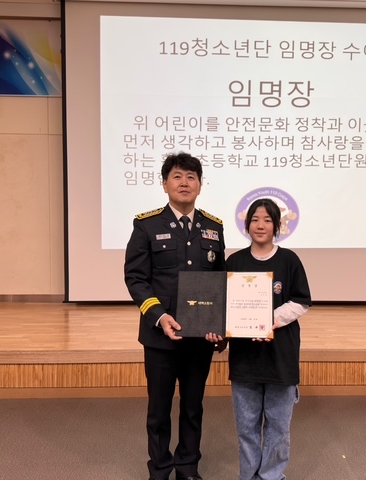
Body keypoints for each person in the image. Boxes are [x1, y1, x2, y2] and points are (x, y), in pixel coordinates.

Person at [124, 152, 226, 480]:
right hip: (160, 336)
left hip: (200, 337)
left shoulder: (213, 227)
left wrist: (220, 326)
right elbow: (136, 278)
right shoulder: (147, 224)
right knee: (159, 409)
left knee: (193, 407)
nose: (184, 183)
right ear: (165, 184)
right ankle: (160, 469)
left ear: (200, 185)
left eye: (191, 177)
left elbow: (219, 281)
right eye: (177, 177)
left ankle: (187, 468)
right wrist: (159, 315)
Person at [207, 197, 311, 480]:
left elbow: (301, 301)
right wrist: (218, 331)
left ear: (277, 225)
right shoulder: (235, 262)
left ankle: (272, 476)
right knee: (247, 427)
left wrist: (268, 321)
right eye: (255, 219)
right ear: (247, 225)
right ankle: (249, 475)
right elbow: (222, 305)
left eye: (267, 220)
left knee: (278, 427)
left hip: (280, 359)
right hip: (245, 361)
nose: (260, 225)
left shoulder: (289, 260)